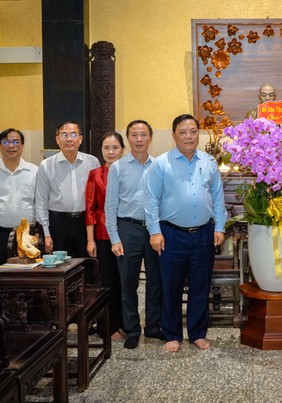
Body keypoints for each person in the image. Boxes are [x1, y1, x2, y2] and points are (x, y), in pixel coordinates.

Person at [144, 114, 227, 353]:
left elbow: (218, 196)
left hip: (203, 233)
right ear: (174, 135)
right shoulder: (161, 163)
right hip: (171, 234)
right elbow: (151, 200)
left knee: (201, 285)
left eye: (193, 131)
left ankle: (197, 333)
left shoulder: (209, 162)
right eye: (183, 132)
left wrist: (220, 227)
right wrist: (154, 232)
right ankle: (172, 334)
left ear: (198, 134)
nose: (188, 136)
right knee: (171, 286)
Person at [105, 120, 164, 349]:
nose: (139, 139)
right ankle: (131, 329)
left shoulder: (159, 166)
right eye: (134, 135)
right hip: (127, 228)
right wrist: (114, 238)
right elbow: (111, 205)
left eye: (143, 134)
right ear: (128, 138)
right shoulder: (118, 168)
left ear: (150, 138)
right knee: (128, 282)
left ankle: (153, 326)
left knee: (155, 281)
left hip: (154, 228)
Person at [35, 121, 100, 258]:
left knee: (85, 265)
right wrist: (46, 233)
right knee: (59, 266)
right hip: (58, 224)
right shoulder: (46, 166)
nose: (69, 139)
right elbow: (41, 202)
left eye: (73, 135)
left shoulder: (92, 162)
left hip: (84, 224)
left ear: (80, 139)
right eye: (64, 135)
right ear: (57, 139)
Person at [0, 128, 38, 283]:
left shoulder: (34, 171)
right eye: (6, 142)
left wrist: (40, 231)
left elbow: (39, 203)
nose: (11, 146)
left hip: (27, 234)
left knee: (28, 278)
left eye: (15, 142)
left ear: (22, 145)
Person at [85, 131, 126, 340]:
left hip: (126, 233)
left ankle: (125, 324)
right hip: (102, 234)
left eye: (115, 147)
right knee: (107, 280)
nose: (111, 152)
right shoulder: (95, 174)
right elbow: (90, 209)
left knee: (125, 281)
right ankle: (108, 327)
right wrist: (90, 239)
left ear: (123, 150)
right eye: (106, 148)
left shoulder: (128, 171)